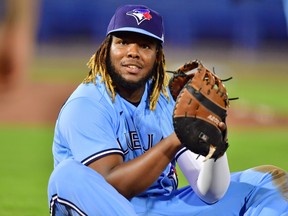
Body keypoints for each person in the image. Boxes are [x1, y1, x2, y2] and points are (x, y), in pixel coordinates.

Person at [48, 4, 288, 216]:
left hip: (163, 207)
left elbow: (210, 192)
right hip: (105, 206)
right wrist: (176, 139)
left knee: (265, 181)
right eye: (122, 42)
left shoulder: (165, 100)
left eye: (144, 45)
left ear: (157, 56)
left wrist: (216, 149)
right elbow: (114, 185)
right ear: (106, 49)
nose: (132, 51)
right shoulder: (87, 103)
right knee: (66, 175)